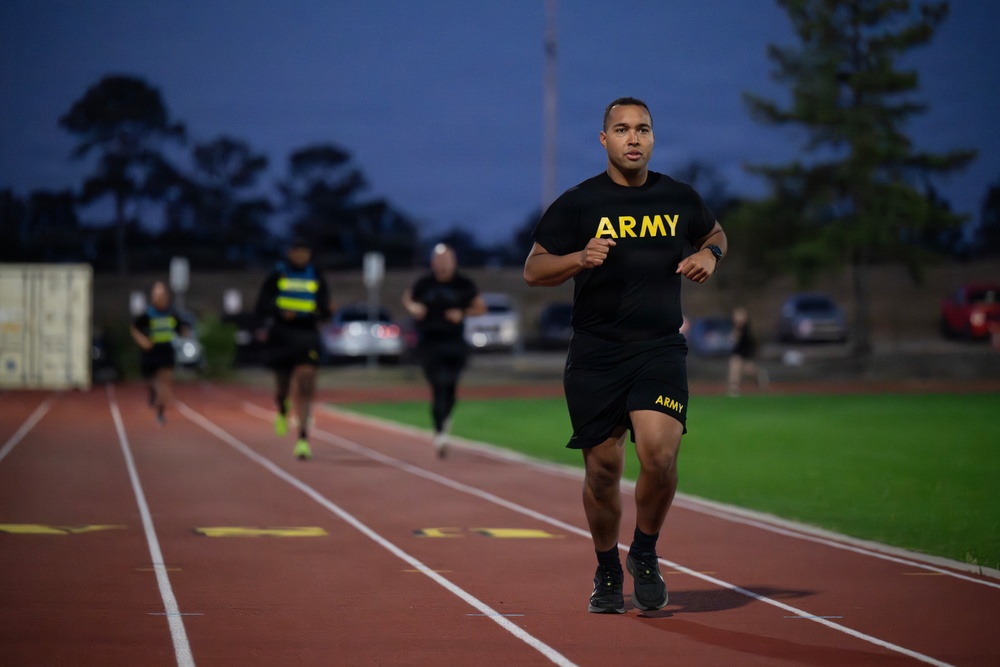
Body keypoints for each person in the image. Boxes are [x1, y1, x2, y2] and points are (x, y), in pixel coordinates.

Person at [523, 97, 728, 614]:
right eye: (621, 129)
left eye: (642, 129)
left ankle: (644, 551)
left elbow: (715, 232)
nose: (633, 138)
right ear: (604, 140)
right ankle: (607, 568)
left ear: (653, 138)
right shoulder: (578, 203)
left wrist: (709, 254)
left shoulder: (679, 197)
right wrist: (578, 258)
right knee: (603, 472)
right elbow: (533, 269)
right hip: (595, 354)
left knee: (660, 456)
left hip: (658, 348)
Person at [401, 244, 486, 458]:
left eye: (447, 259)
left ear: (454, 261)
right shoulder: (424, 283)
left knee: (450, 386)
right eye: (439, 259)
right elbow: (408, 297)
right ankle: (440, 432)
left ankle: (445, 418)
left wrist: (462, 313)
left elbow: (480, 307)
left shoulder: (463, 284)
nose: (443, 264)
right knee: (437, 385)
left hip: (454, 341)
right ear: (433, 262)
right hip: (429, 341)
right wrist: (413, 307)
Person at [255, 238, 333, 460]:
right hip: (282, 334)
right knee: (283, 386)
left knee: (307, 383)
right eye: (297, 252)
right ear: (289, 253)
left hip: (307, 334)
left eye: (305, 252)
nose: (301, 256)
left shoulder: (316, 275)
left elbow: (325, 306)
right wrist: (280, 310)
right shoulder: (278, 274)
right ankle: (282, 407)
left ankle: (303, 438)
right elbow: (261, 304)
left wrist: (324, 313)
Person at [130, 280, 190, 425]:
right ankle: (152, 394)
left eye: (162, 294)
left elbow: (181, 328)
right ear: (152, 297)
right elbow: (134, 328)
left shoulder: (172, 313)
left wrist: (184, 332)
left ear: (166, 296)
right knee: (150, 383)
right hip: (150, 353)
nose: (159, 298)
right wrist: (143, 341)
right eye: (156, 295)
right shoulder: (147, 314)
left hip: (166, 352)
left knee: (164, 381)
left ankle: (160, 413)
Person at [728, 306, 767, 396]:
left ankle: (758, 374)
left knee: (749, 371)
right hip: (738, 355)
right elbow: (733, 342)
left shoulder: (749, 330)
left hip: (748, 357)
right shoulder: (734, 328)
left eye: (740, 315)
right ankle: (734, 387)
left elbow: (753, 345)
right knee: (735, 364)